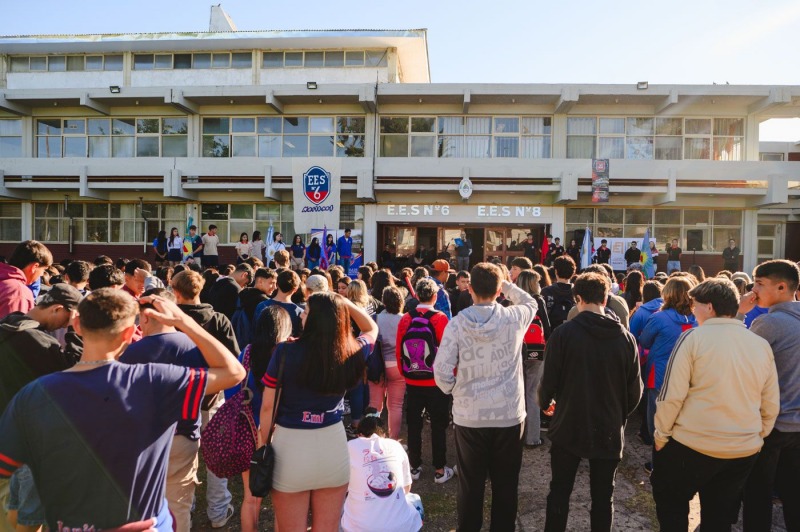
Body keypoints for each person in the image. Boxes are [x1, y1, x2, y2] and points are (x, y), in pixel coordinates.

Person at [0, 288, 245, 531]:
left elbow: (10, 482)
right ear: (130, 333)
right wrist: (184, 321)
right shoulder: (155, 381)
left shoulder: (33, 395)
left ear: (76, 325)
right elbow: (234, 372)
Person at [652, 278, 779, 531]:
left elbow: (671, 396)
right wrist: (757, 435)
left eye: (694, 304)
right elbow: (771, 401)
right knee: (720, 519)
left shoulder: (692, 338)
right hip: (741, 449)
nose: (692, 309)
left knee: (672, 509)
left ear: (709, 307)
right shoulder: (759, 344)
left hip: (692, 444)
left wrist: (661, 435)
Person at [258, 292, 377, 531]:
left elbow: (268, 407)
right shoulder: (351, 351)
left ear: (315, 319)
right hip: (332, 444)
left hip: (290, 446)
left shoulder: (284, 352)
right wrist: (344, 303)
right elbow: (371, 329)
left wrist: (262, 445)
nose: (301, 315)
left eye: (306, 311)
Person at [434, 262, 536, 530]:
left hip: (470, 416)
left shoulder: (456, 324)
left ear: (469, 288)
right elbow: (530, 301)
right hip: (508, 414)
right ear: (499, 289)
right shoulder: (514, 317)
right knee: (506, 485)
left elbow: (441, 372)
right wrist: (506, 283)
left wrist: (455, 390)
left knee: (470, 486)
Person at [539, 272, 642, 532]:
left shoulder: (563, 335)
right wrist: (619, 414)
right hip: (608, 425)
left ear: (578, 299)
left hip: (569, 422)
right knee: (603, 497)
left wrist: (546, 404)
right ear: (606, 298)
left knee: (560, 491)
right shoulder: (626, 339)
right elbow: (634, 391)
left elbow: (548, 382)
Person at [119, 288, 210, 532]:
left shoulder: (130, 352)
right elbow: (211, 388)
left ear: (146, 317)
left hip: (143, 440)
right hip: (184, 433)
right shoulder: (196, 346)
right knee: (178, 504)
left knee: (141, 505)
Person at [0, 284, 81, 531]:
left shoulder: (8, 324)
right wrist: (76, 334)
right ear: (57, 308)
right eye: (68, 318)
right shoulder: (36, 341)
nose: (66, 325)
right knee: (20, 516)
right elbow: (72, 375)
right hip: (23, 441)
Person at [170, 270, 239, 527]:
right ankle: (218, 510)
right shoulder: (218, 320)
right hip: (212, 395)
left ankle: (187, 506)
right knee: (216, 457)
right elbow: (234, 358)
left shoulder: (171, 321)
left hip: (180, 398)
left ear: (176, 292)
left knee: (183, 461)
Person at [740, 260, 800, 531]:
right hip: (797, 427)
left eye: (760, 284)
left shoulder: (770, 322)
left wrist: (740, 314)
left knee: (757, 494)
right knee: (793, 494)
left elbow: (739, 358)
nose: (754, 289)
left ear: (782, 286)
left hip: (772, 425)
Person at [235, 305, 292, 532]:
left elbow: (235, 389)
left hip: (249, 430)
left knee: (250, 498)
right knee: (282, 500)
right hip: (281, 431)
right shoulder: (288, 352)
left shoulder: (247, 352)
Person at [396, 278, 454, 485]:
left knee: (413, 424)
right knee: (438, 425)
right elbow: (448, 352)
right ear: (435, 297)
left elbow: (398, 350)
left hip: (412, 380)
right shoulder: (440, 318)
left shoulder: (405, 319)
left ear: (417, 296)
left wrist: (407, 373)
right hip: (435, 382)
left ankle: (414, 467)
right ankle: (439, 469)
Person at [639, 275, 697, 474]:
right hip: (690, 376)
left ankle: (658, 464)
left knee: (656, 421)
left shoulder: (658, 318)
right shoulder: (699, 319)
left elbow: (644, 341)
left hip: (660, 375)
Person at [340, 407, 423, 532]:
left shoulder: (349, 447)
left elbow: (341, 489)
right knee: (415, 499)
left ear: (359, 435)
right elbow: (406, 489)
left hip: (358, 528)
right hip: (400, 527)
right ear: (384, 434)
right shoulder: (395, 445)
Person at [515, 269, 551, 448]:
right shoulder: (538, 301)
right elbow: (547, 326)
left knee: (516, 393)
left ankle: (515, 436)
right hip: (536, 352)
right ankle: (532, 437)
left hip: (515, 351)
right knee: (532, 393)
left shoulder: (512, 301)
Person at [368, 286, 407, 439]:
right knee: (395, 406)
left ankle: (373, 439)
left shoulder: (375, 318)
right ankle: (393, 441)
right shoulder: (405, 319)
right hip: (398, 366)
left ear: (384, 301)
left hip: (377, 366)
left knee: (375, 405)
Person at [0, 240, 52, 320]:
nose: (42, 274)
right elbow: (13, 330)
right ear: (35, 267)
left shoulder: (5, 283)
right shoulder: (18, 292)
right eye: (43, 270)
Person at [253, 269, 304, 337]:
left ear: (277, 285)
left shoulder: (261, 306)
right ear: (295, 289)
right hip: (287, 346)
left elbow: (255, 331)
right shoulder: (299, 312)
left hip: (263, 346)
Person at [540, 256, 576, 330]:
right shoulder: (578, 292)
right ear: (573, 272)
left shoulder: (546, 291)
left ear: (556, 271)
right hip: (574, 333)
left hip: (552, 334)